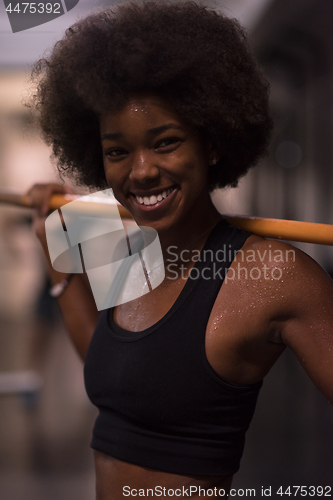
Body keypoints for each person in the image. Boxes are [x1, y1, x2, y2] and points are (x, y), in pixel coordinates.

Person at [26, 2, 333, 499]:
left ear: (211, 143)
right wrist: (54, 251)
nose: (141, 171)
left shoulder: (273, 275)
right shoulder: (130, 252)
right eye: (118, 152)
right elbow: (119, 381)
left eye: (165, 142)